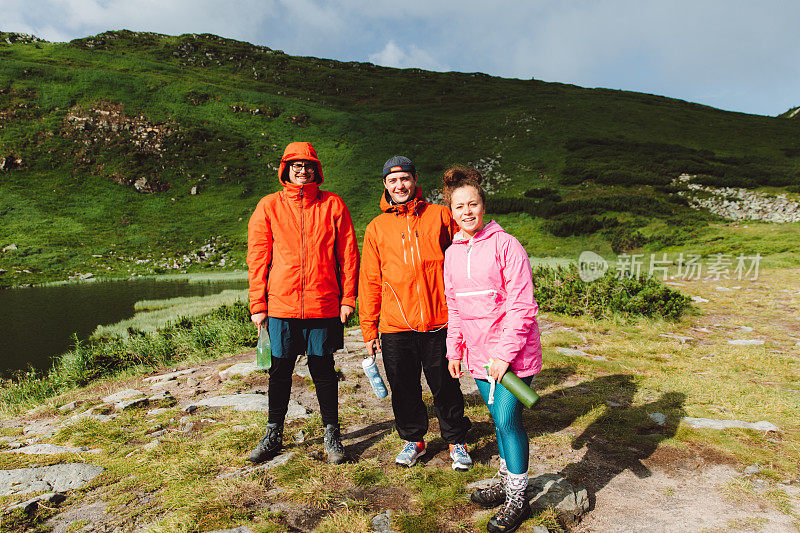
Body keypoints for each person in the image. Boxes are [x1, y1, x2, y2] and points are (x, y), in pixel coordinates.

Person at [442, 166, 542, 533]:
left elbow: (522, 305)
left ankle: (519, 497)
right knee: (498, 424)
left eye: (473, 203)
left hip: (512, 358)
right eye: (459, 206)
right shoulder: (452, 254)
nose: (467, 211)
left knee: (506, 421)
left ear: (484, 206)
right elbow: (454, 306)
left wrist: (504, 355)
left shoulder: (506, 244)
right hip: (479, 359)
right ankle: (507, 479)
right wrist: (455, 350)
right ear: (450, 211)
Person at [246, 141, 359, 465]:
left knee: (322, 369)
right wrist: (258, 304)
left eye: (308, 164)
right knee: (279, 371)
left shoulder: (334, 205)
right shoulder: (269, 206)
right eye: (296, 165)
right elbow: (258, 257)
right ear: (286, 169)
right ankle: (273, 434)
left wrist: (347, 298)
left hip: (323, 304)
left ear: (316, 169)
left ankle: (332, 434)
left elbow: (348, 255)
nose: (302, 170)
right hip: (281, 305)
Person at [359, 155, 472, 470]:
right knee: (404, 387)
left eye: (405, 178)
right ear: (385, 185)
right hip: (396, 326)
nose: (399, 185)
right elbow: (369, 281)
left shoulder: (439, 216)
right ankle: (414, 441)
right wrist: (369, 330)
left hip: (440, 321)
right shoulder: (376, 228)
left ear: (415, 180)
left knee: (446, 385)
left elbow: (465, 254)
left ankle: (456, 441)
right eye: (393, 180)